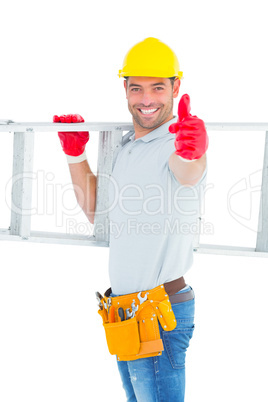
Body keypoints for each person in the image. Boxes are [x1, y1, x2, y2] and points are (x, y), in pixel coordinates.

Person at [54, 37, 208, 402]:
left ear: (176, 87)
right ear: (125, 88)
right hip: (126, 310)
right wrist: (76, 155)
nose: (147, 99)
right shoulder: (125, 145)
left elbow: (188, 172)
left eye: (158, 87)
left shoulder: (177, 141)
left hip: (159, 308)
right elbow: (99, 214)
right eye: (136, 88)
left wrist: (193, 152)